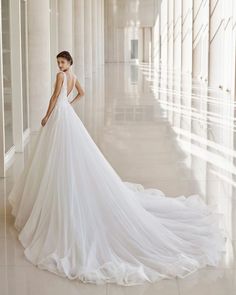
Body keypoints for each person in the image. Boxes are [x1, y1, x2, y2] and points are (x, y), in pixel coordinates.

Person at [8, 50, 227, 286]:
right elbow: (81, 93)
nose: (60, 65)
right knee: (67, 157)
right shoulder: (72, 76)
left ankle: (56, 198)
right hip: (68, 116)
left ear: (69, 62)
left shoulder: (61, 77)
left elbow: (53, 99)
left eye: (63, 62)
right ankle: (60, 195)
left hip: (60, 117)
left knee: (57, 157)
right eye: (59, 62)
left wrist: (46, 116)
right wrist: (69, 104)